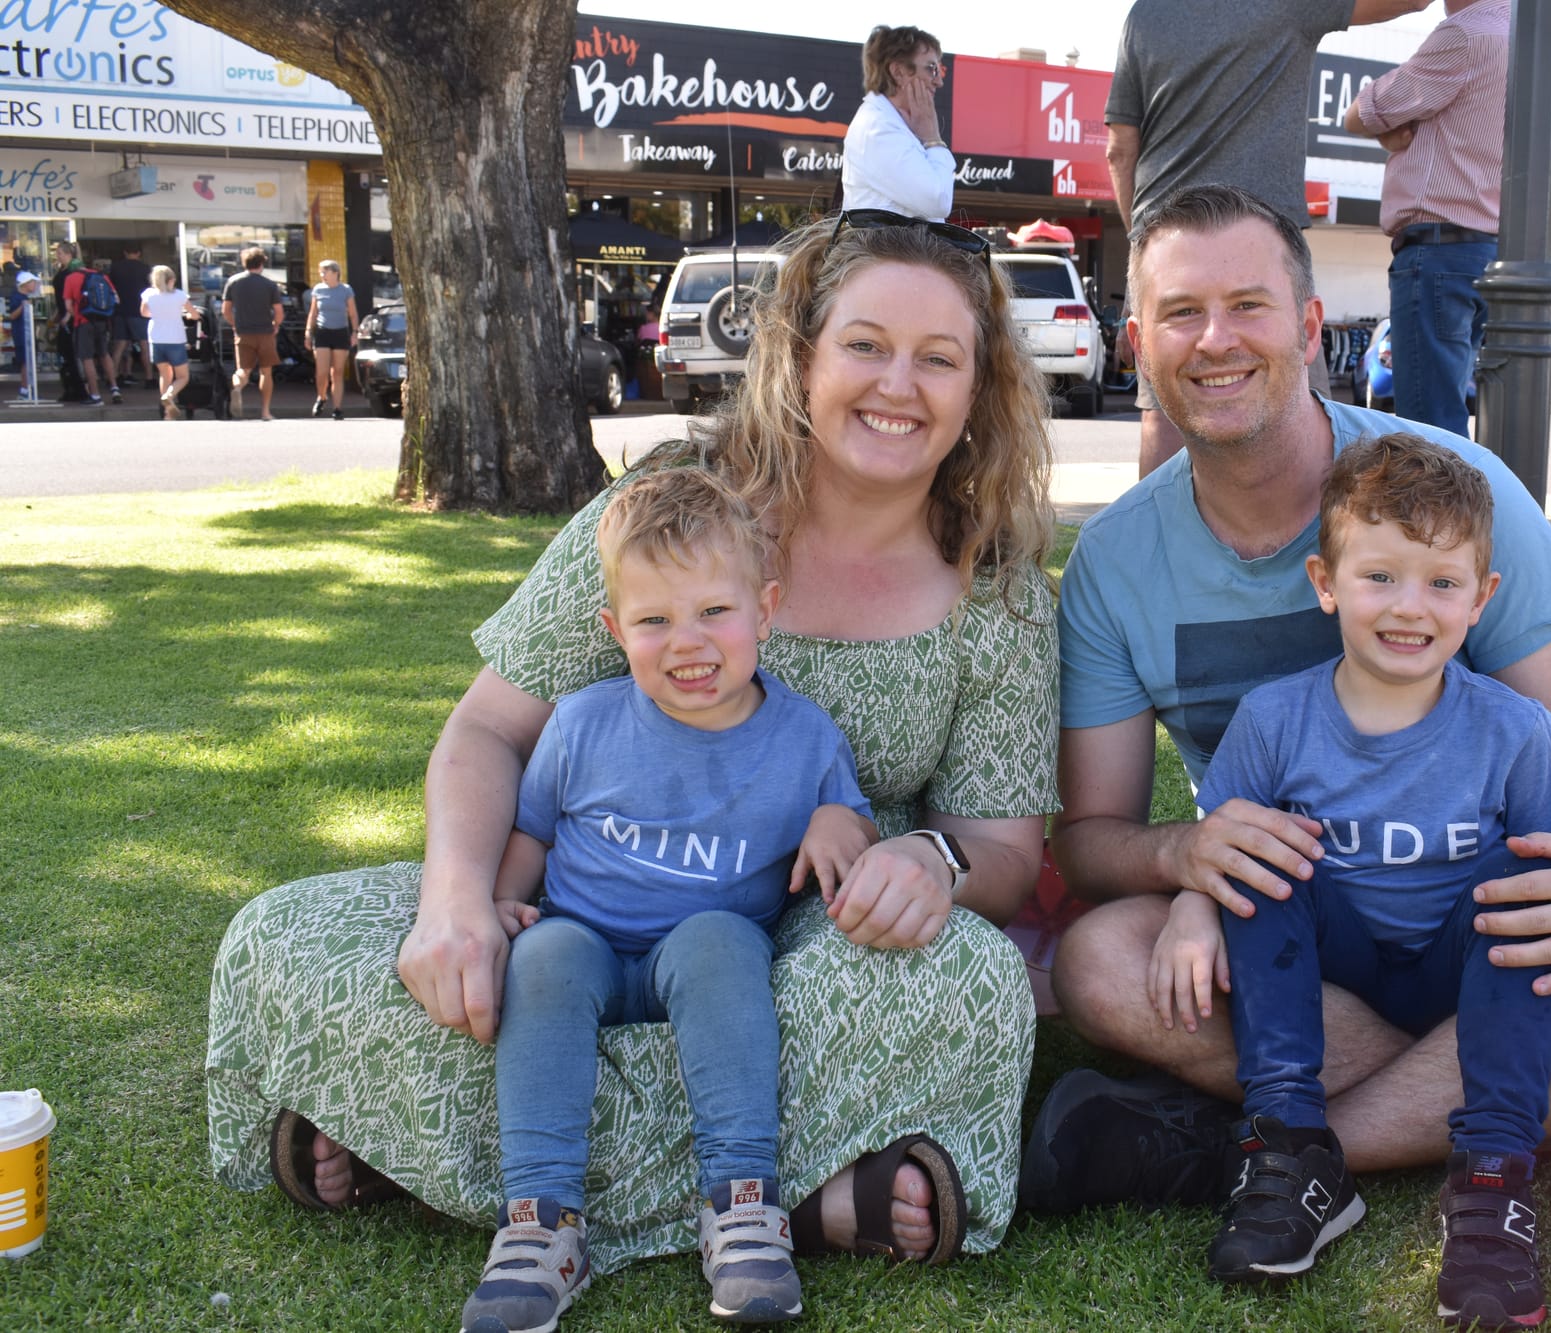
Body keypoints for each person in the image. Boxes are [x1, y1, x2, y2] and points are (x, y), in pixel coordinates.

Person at [206, 210, 1059, 1284]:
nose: (898, 384)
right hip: (587, 906)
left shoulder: (996, 591)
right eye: (865, 344)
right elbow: (485, 729)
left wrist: (929, 863)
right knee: (285, 933)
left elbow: (1004, 846)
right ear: (800, 353)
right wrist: (458, 901)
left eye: (938, 359)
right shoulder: (665, 509)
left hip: (816, 948)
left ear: (979, 390)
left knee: (969, 982)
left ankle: (429, 1154)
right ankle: (804, 1197)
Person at [1025, 184, 1551, 1222]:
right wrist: (1177, 857)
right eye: (1179, 313)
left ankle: (1246, 1157)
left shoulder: (1455, 494)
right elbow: (1091, 839)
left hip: (1475, 917)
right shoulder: (1114, 561)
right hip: (1293, 929)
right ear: (1135, 341)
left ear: (1304, 326)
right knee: (1103, 965)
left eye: (1247, 305)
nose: (1214, 340)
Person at [1187, 433, 1551, 1328]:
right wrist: (1192, 913)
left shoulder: (1518, 731)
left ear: (1482, 598)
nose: (1409, 607)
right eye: (1379, 576)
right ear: (1324, 581)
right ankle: (1290, 1147)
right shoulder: (1274, 719)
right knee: (1267, 860)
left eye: (1441, 582)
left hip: (1458, 962)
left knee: (1522, 881)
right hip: (1332, 960)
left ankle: (1491, 1185)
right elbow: (1220, 843)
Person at [461, 468, 878, 1331]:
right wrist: (501, 899)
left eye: (713, 612)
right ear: (615, 631)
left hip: (701, 959)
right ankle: (541, 1225)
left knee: (721, 937)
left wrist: (842, 822)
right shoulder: (582, 723)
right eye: (654, 620)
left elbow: (852, 819)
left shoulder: (804, 738)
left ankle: (743, 1204)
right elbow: (532, 831)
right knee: (542, 957)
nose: (688, 642)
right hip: (587, 944)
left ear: (765, 610)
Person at [1104, 0, 1433, 478]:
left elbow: (1119, 149)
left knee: (1167, 412)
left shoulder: (1145, 14)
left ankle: (1159, 551)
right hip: (1262, 249)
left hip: (1168, 245)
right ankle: (1316, 547)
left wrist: (1142, 249)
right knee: (1303, 413)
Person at [1343, 0, 1508, 438]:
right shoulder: (1521, 37)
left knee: (1429, 428)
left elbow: (1360, 113)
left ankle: (1442, 509)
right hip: (1488, 250)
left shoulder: (1464, 34)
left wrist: (1388, 132)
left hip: (1438, 251)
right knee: (1453, 413)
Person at [840, 25, 955, 221]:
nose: (938, 82)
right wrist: (934, 141)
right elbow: (937, 201)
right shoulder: (878, 127)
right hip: (884, 251)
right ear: (898, 72)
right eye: (931, 69)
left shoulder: (888, 123)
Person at [222, 247, 284, 421]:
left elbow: (226, 310)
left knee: (243, 370)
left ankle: (237, 387)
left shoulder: (233, 282)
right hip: (265, 332)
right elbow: (279, 312)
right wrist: (275, 325)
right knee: (266, 372)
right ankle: (265, 411)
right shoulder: (269, 285)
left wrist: (235, 324)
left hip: (243, 332)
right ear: (262, 263)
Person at [57, 243, 119, 406]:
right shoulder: (100, 275)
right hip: (102, 321)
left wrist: (67, 317)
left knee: (87, 358)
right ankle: (114, 388)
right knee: (104, 354)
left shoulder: (70, 278)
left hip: (82, 322)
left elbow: (69, 306)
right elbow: (116, 298)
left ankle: (95, 395)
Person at [306, 260, 359, 420]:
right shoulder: (318, 290)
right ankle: (321, 397)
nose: (322, 276)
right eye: (321, 272)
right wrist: (308, 331)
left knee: (337, 372)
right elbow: (313, 313)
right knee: (321, 372)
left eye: (325, 272)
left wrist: (355, 332)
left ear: (335, 273)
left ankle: (337, 408)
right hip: (322, 332)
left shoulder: (346, 290)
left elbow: (353, 313)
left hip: (340, 332)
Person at [140, 266, 192, 421]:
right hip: (175, 338)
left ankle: (167, 413)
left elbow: (144, 313)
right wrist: (188, 315)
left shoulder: (149, 294)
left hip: (156, 338)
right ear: (171, 280)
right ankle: (169, 396)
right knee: (182, 377)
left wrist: (157, 314)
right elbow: (194, 313)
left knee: (165, 374)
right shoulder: (179, 295)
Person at [109, 242, 151, 385]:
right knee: (144, 345)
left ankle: (112, 378)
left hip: (120, 310)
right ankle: (149, 377)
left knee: (119, 346)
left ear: (125, 253)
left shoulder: (115, 268)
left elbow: (111, 289)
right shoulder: (146, 269)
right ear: (139, 253)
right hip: (139, 311)